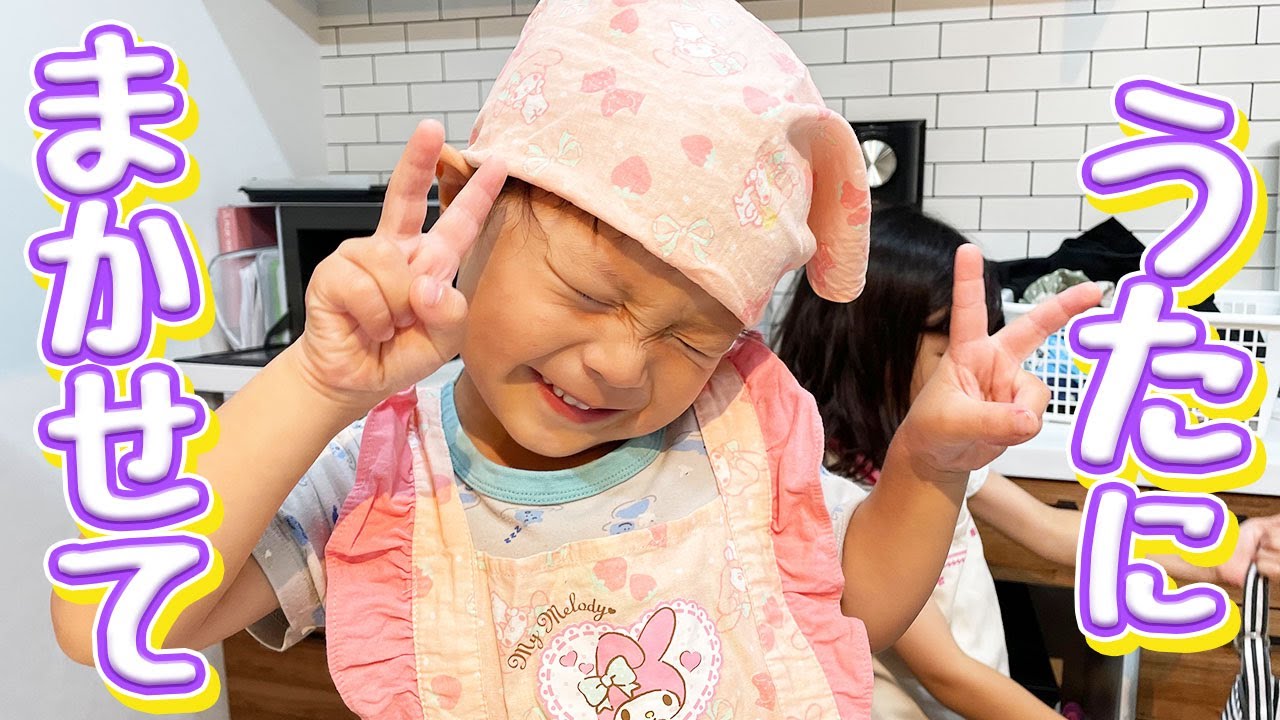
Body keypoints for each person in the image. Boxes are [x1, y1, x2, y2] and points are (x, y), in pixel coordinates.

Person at [50, 3, 1098, 717]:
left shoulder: (728, 436)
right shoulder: (381, 488)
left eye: (693, 334)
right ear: (477, 211)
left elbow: (858, 608)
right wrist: (315, 387)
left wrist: (925, 467)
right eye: (588, 292)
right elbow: (106, 619)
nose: (617, 364)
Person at [775, 205, 1280, 720]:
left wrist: (1216, 557)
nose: (979, 368)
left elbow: (1052, 530)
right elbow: (948, 673)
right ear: (870, 341)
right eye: (950, 345)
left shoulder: (931, 453)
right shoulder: (837, 492)